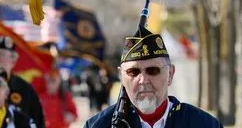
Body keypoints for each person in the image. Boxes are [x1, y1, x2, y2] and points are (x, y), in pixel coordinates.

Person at [84, 24, 223, 128]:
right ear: (122, 76)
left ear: (170, 74)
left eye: (153, 70)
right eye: (133, 72)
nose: (143, 80)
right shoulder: (98, 125)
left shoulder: (203, 124)